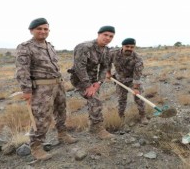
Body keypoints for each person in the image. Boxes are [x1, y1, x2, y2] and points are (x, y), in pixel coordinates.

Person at [15, 18, 78, 161]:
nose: (43, 31)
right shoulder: (25, 47)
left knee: (61, 111)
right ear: (31, 30)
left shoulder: (49, 46)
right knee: (41, 117)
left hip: (57, 85)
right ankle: (36, 146)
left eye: (45, 29)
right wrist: (26, 90)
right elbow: (22, 71)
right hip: (41, 89)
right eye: (39, 29)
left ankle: (62, 134)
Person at [69, 26, 115, 139]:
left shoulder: (106, 50)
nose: (108, 38)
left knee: (93, 101)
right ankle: (98, 129)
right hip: (80, 79)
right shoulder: (84, 47)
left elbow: (105, 68)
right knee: (96, 101)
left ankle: (92, 127)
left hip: (94, 80)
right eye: (106, 35)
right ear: (99, 34)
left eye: (111, 36)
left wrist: (98, 82)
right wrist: (88, 86)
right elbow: (79, 67)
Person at [106, 38, 148, 125]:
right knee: (121, 99)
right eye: (127, 46)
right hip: (119, 79)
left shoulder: (137, 59)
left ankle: (143, 116)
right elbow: (107, 63)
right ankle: (121, 117)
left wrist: (136, 88)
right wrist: (108, 73)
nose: (129, 48)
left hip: (133, 79)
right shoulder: (113, 53)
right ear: (122, 46)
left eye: (132, 47)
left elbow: (137, 75)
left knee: (139, 98)